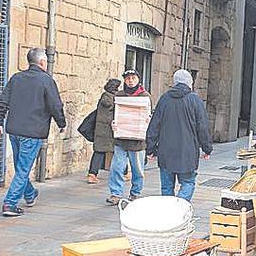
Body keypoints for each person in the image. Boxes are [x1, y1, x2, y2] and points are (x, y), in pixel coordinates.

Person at [0, 48, 66, 217]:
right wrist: (61, 123)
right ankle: (10, 204)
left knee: (20, 167)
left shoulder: (16, 79)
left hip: (14, 130)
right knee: (23, 169)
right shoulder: (47, 81)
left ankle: (30, 194)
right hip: (33, 132)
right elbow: (55, 106)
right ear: (42, 62)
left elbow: (2, 101)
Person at [145, 69, 212, 201]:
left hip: (165, 152)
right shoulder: (195, 100)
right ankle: (179, 206)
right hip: (187, 153)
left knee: (166, 187)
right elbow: (203, 127)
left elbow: (154, 125)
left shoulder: (164, 99)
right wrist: (206, 148)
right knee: (188, 183)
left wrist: (150, 148)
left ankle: (170, 214)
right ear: (189, 83)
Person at [106, 70, 150, 205]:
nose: (130, 81)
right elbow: (111, 114)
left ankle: (135, 193)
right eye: (127, 78)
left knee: (137, 170)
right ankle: (116, 193)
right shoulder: (119, 95)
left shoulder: (145, 96)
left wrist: (147, 121)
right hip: (121, 140)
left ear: (138, 79)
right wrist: (112, 123)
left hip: (137, 141)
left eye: (133, 78)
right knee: (116, 167)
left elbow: (148, 114)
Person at [87, 78, 121, 184]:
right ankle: (124, 172)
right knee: (119, 151)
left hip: (101, 130)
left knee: (99, 151)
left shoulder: (105, 97)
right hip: (110, 130)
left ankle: (92, 174)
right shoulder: (114, 99)